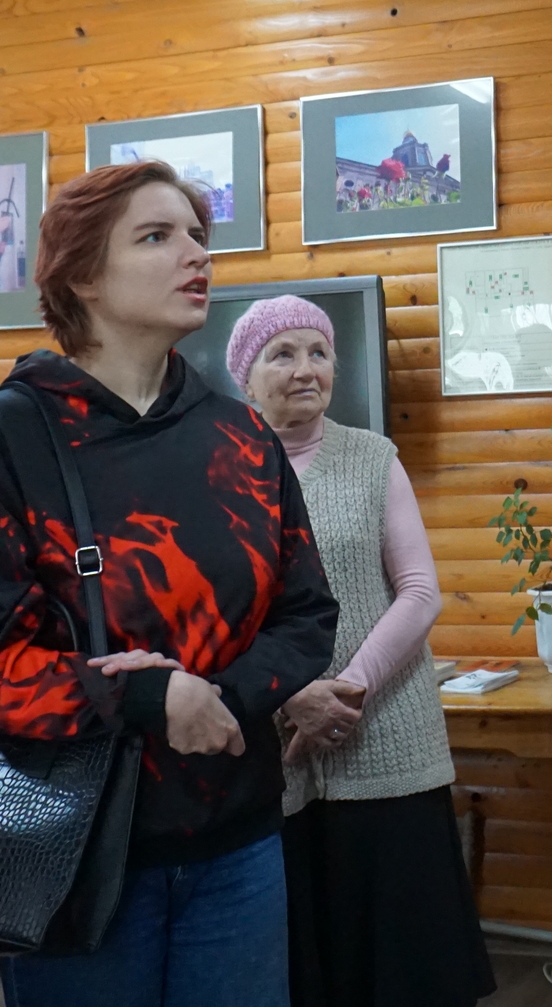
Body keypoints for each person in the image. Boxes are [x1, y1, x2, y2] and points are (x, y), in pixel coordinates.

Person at [0, 160, 340, 1007]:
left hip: (238, 846)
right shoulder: (7, 434)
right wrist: (151, 699)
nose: (196, 254)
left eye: (196, 234)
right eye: (156, 237)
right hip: (75, 850)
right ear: (82, 275)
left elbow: (306, 614)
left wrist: (217, 699)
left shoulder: (241, 438)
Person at [224, 296, 496, 1007]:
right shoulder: (220, 473)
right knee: (301, 966)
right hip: (273, 749)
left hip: (385, 739)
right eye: (283, 354)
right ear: (245, 376)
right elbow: (210, 613)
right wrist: (291, 696)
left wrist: (348, 689)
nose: (305, 369)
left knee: (405, 967)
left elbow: (419, 592)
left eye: (319, 352)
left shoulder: (374, 459)